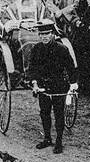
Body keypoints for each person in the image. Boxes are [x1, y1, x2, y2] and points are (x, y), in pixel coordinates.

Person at [25, 18, 77, 153]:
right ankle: (47, 138)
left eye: (47, 34)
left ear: (52, 34)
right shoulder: (36, 49)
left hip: (59, 85)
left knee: (59, 114)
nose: (44, 37)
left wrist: (73, 84)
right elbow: (32, 69)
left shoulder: (62, 49)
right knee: (44, 112)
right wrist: (35, 83)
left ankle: (59, 141)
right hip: (43, 85)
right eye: (41, 35)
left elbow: (71, 68)